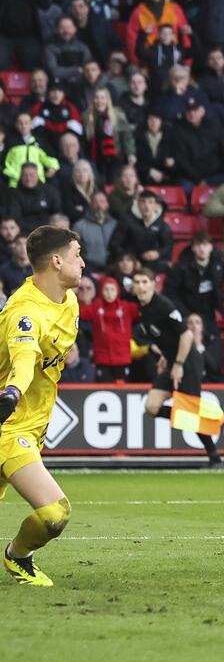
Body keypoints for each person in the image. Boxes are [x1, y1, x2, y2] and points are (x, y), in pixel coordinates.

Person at [0, 226, 82, 586]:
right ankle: (18, 558)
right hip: (9, 423)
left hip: (32, 427)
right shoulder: (25, 311)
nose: (83, 262)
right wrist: (13, 394)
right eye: (77, 254)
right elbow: (24, 359)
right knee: (54, 511)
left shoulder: (69, 302)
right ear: (57, 260)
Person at [133, 269, 220, 467]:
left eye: (145, 281)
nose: (140, 286)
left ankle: (214, 456)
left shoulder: (163, 305)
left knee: (191, 409)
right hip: (173, 360)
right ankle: (186, 416)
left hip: (188, 362)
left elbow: (186, 335)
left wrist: (179, 364)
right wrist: (166, 356)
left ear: (154, 284)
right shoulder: (143, 307)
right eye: (137, 282)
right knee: (152, 407)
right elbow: (165, 336)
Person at [79, 276, 139, 383]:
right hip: (102, 358)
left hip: (122, 357)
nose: (109, 293)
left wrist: (135, 292)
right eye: (106, 289)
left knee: (122, 389)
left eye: (112, 289)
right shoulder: (96, 307)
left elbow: (143, 310)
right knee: (104, 387)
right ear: (101, 290)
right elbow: (79, 313)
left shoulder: (127, 307)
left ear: (117, 291)